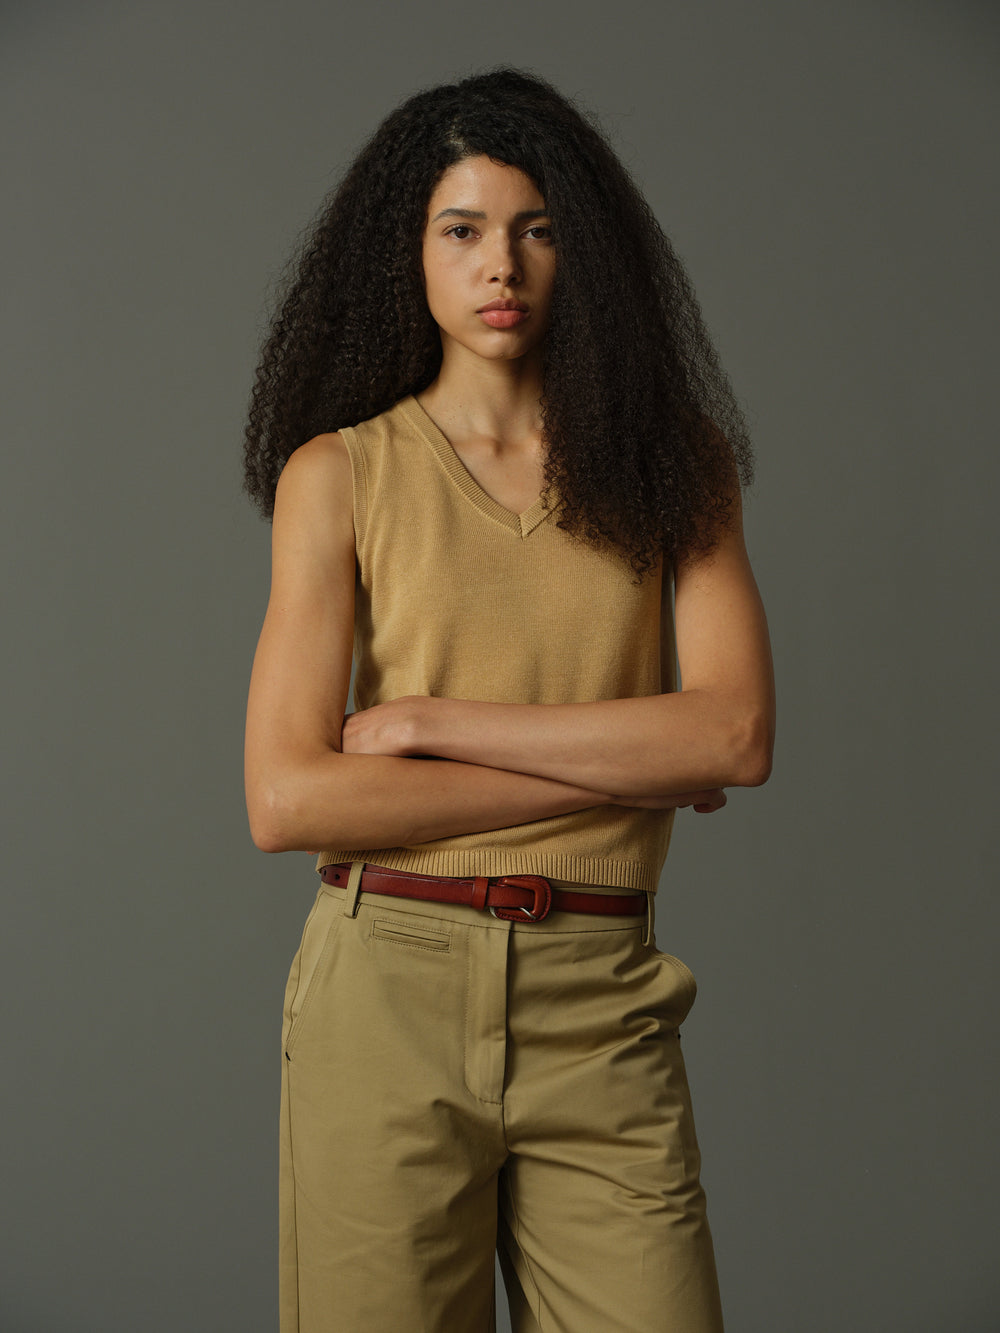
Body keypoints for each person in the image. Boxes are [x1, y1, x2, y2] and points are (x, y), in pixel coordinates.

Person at [242, 66, 774, 1333]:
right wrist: (625, 759)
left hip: (601, 996)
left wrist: (434, 723)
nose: (503, 267)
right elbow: (288, 795)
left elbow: (735, 735)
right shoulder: (343, 474)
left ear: (581, 252)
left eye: (538, 230)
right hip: (385, 990)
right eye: (463, 230)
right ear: (406, 253)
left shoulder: (674, 463)